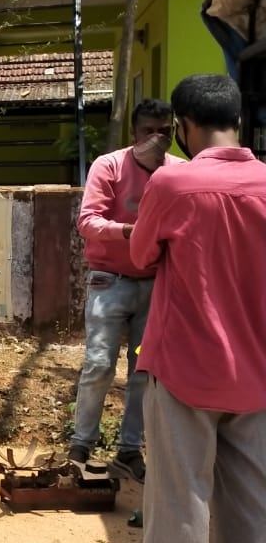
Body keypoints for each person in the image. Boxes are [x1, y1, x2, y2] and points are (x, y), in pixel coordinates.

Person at [108, 74, 266, 543]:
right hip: (257, 370)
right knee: (253, 507)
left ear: (183, 126)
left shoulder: (174, 180)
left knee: (181, 501)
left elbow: (142, 253)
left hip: (185, 365)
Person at [69, 98, 179, 482]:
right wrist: (131, 231)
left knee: (141, 371)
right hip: (109, 283)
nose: (156, 138)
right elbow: (88, 221)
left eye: (164, 131)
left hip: (155, 289)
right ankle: (80, 445)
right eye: (148, 130)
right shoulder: (110, 165)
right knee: (99, 364)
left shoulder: (179, 172)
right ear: (135, 132)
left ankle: (129, 450)